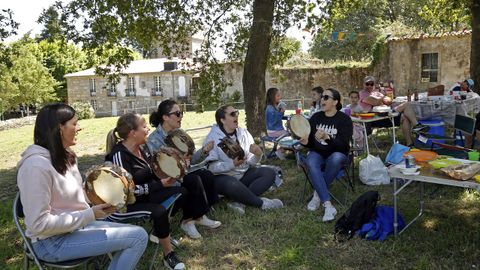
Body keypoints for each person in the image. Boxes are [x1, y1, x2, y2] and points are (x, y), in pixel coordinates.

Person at [17, 103, 148, 270]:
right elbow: (38, 225)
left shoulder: (66, 156)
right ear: (59, 128)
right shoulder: (35, 167)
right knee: (138, 237)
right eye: (74, 123)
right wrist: (89, 214)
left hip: (76, 228)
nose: (79, 128)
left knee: (135, 234)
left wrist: (106, 195)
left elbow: (75, 196)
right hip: (51, 242)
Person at [105, 113, 210, 270]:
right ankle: (169, 255)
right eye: (144, 126)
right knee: (159, 211)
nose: (148, 129)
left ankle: (158, 232)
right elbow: (125, 191)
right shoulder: (119, 155)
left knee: (181, 191)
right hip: (124, 205)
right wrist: (159, 185)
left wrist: (171, 170)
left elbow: (152, 172)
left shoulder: (142, 147)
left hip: (144, 196)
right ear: (132, 133)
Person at [146, 100, 221, 232]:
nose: (181, 116)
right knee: (192, 180)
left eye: (181, 113)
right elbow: (158, 169)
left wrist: (204, 151)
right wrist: (181, 163)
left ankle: (200, 214)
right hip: (169, 178)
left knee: (206, 175)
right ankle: (188, 220)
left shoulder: (179, 134)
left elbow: (191, 160)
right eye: (177, 113)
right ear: (165, 117)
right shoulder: (154, 140)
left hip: (183, 172)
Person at [204, 105, 283, 214]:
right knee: (231, 183)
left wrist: (257, 155)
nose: (236, 115)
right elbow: (210, 168)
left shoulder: (243, 132)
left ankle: (240, 202)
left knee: (269, 173)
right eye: (232, 114)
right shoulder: (212, 138)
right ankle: (262, 204)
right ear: (222, 120)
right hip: (223, 179)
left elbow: (251, 162)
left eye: (237, 112)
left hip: (243, 176)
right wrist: (232, 164)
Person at [299, 88, 353, 222]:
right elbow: (311, 143)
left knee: (335, 159)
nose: (322, 100)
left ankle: (318, 194)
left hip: (337, 154)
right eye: (322, 97)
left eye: (326, 97)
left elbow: (344, 146)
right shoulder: (316, 118)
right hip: (318, 153)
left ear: (335, 101)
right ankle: (328, 205)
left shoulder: (344, 119)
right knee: (311, 161)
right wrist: (306, 142)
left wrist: (328, 137)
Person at [359, 75, 428, 146]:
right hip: (374, 118)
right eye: (367, 84)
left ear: (374, 85)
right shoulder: (362, 94)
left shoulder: (376, 93)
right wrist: (382, 97)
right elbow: (375, 102)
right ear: (363, 84)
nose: (369, 86)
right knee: (407, 104)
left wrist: (381, 99)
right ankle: (417, 125)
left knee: (405, 117)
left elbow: (389, 101)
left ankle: (409, 143)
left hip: (386, 114)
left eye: (371, 84)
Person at [265, 87, 288, 159]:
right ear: (272, 97)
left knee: (289, 133)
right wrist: (281, 112)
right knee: (291, 134)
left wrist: (281, 111)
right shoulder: (270, 108)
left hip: (275, 130)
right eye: (277, 96)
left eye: (279, 95)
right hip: (273, 131)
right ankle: (280, 151)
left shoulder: (274, 106)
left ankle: (277, 150)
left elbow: (278, 117)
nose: (279, 97)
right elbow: (274, 121)